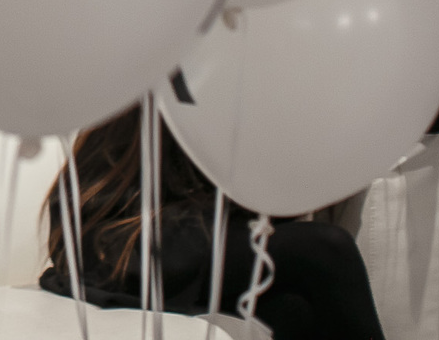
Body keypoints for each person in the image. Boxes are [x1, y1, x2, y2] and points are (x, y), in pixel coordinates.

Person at [41, 104, 386, 340]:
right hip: (124, 240)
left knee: (294, 308)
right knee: (324, 248)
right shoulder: (167, 74)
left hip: (189, 231)